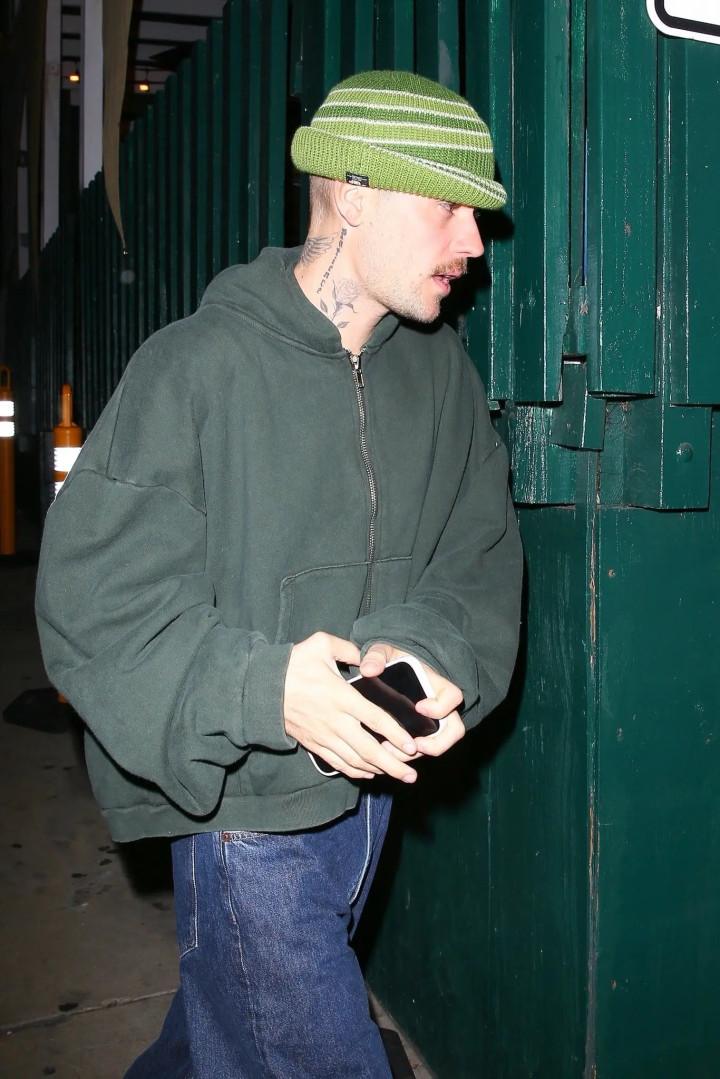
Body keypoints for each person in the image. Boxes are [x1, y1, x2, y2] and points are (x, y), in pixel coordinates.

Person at [36, 69, 522, 1079]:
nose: (475, 243)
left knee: (223, 1032)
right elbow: (94, 605)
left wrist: (419, 649)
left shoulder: (440, 375)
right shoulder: (194, 368)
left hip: (371, 798)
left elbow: (475, 555)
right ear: (355, 194)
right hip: (244, 817)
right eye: (449, 207)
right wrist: (265, 688)